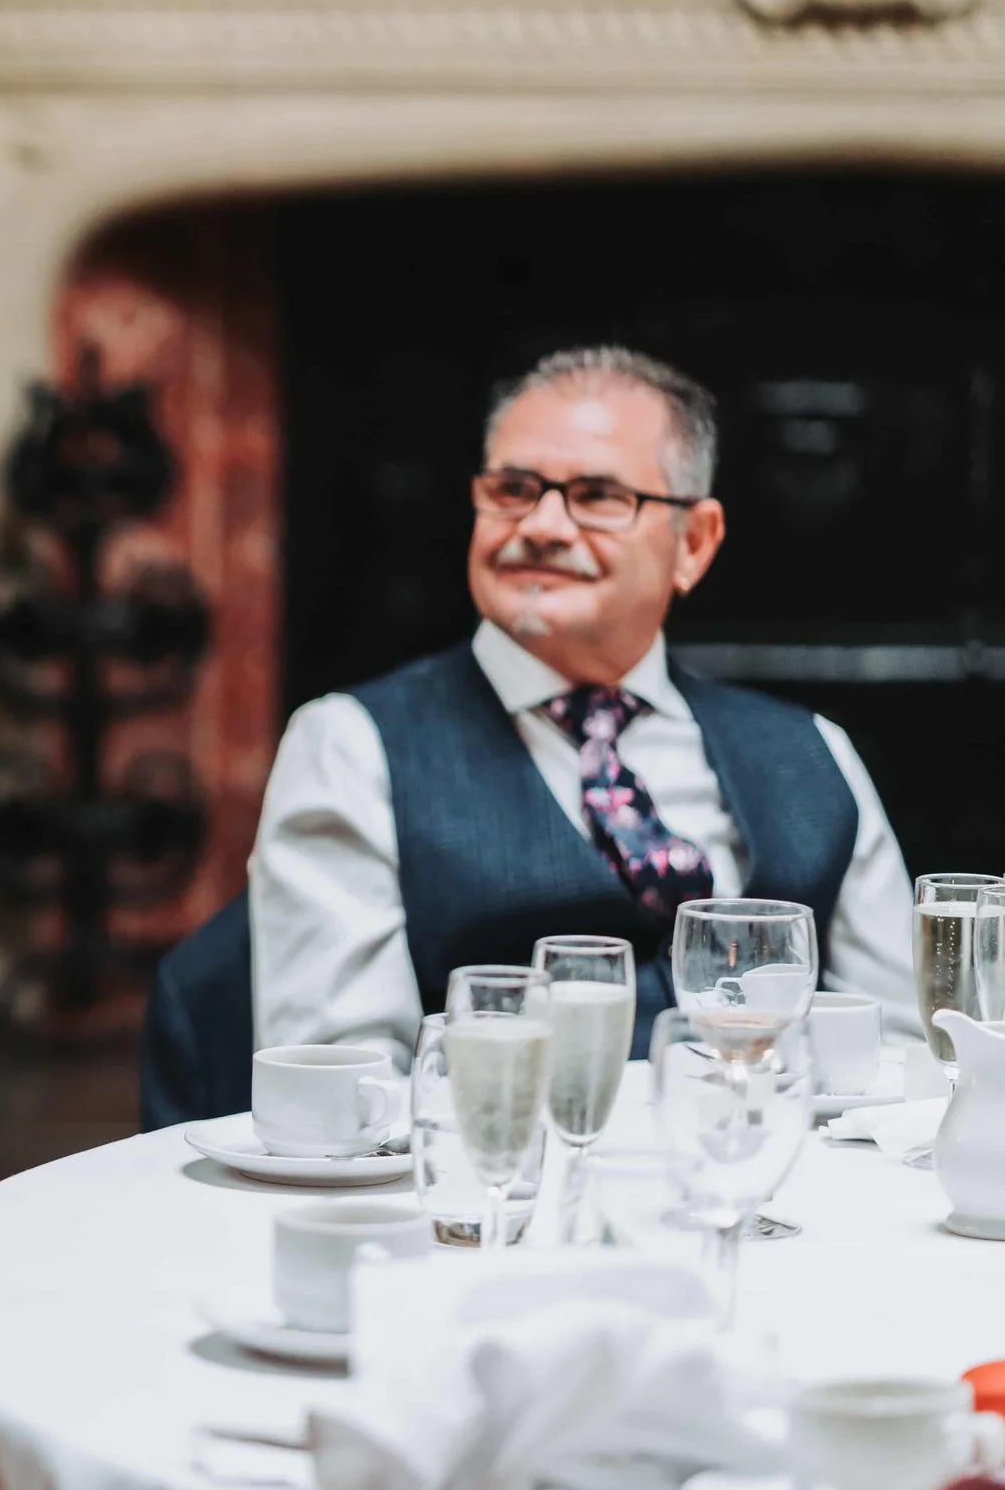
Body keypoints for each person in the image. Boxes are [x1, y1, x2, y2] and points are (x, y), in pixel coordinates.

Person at [250, 345, 915, 1066]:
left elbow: (902, 1060)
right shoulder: (350, 746)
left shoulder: (813, 752)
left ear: (692, 542)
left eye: (598, 496)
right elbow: (342, 1097)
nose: (541, 525)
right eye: (512, 488)